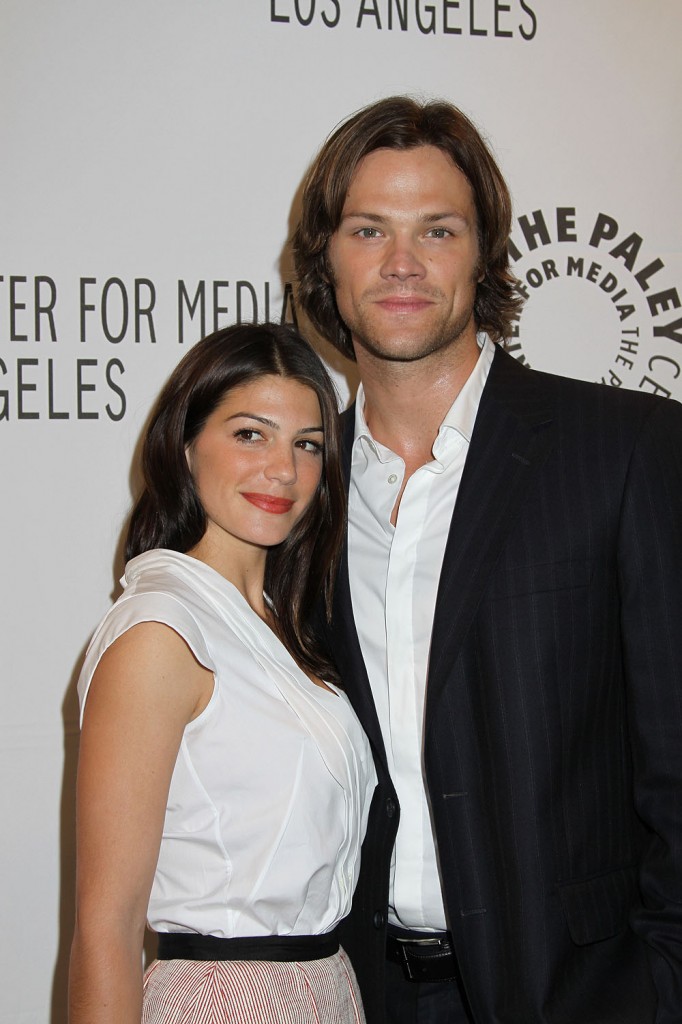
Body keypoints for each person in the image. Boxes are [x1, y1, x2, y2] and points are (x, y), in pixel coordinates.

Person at [292, 96, 682, 1023]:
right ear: (325, 261)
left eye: (438, 229)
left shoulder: (624, 449)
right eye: (367, 230)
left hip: (589, 995)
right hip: (366, 994)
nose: (401, 264)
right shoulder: (299, 492)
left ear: (483, 254)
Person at [68, 322, 376, 1024]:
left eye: (307, 444)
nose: (284, 471)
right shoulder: (159, 632)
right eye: (249, 434)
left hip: (325, 987)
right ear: (185, 444)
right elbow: (106, 929)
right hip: (225, 1002)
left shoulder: (286, 627)